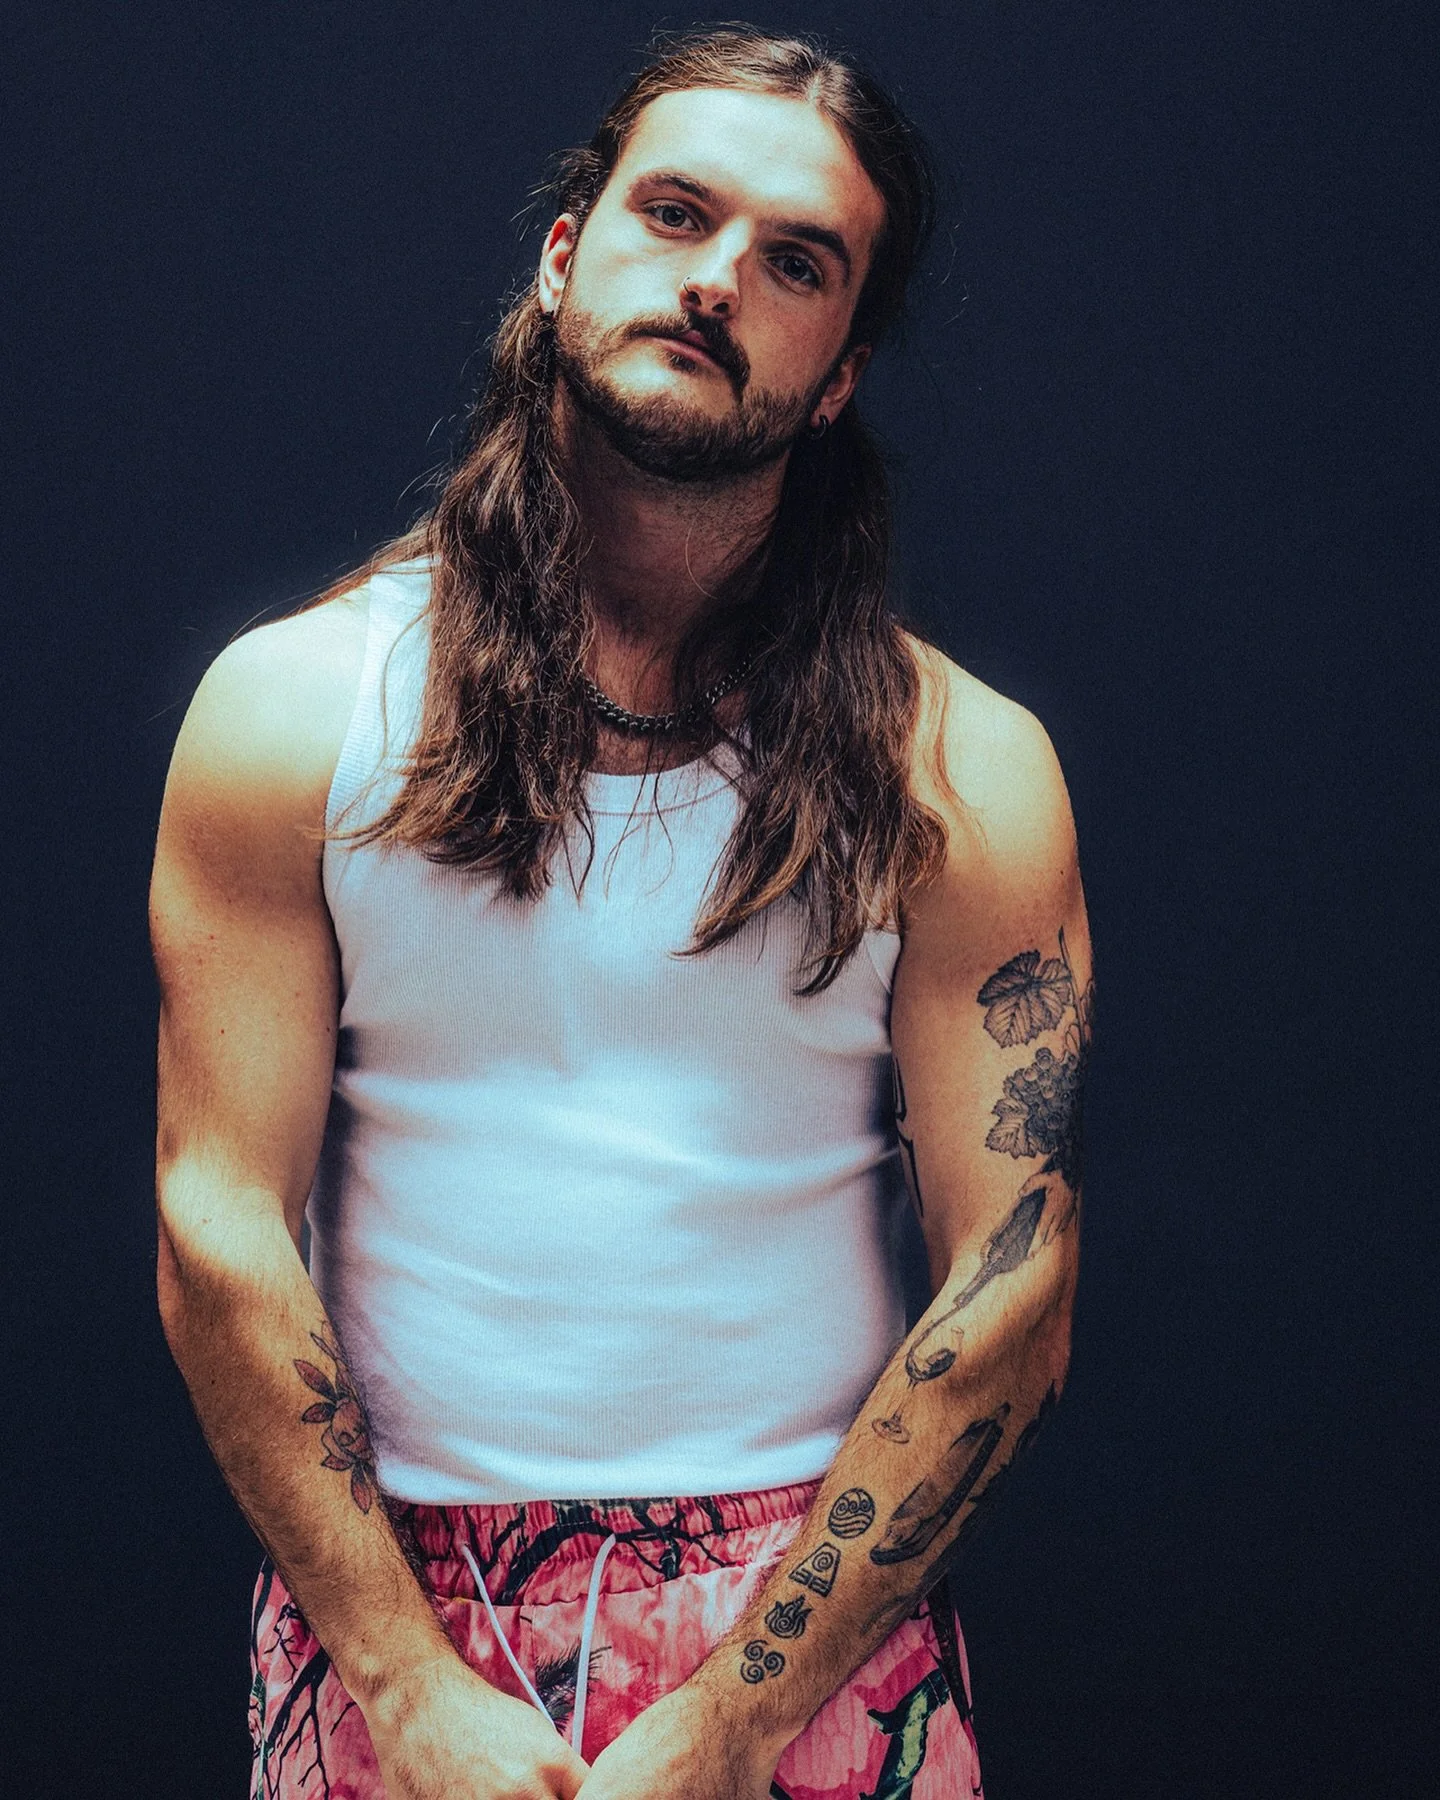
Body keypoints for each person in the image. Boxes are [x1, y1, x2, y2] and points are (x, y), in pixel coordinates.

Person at [150, 24, 1091, 1800]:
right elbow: (218, 1220)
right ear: (566, 252)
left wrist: (738, 1711)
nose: (723, 275)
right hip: (394, 1618)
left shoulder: (960, 767)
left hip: (815, 1620)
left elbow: (1014, 1279)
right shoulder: (294, 714)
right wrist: (407, 1681)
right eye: (677, 212)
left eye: (796, 261)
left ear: (839, 373)